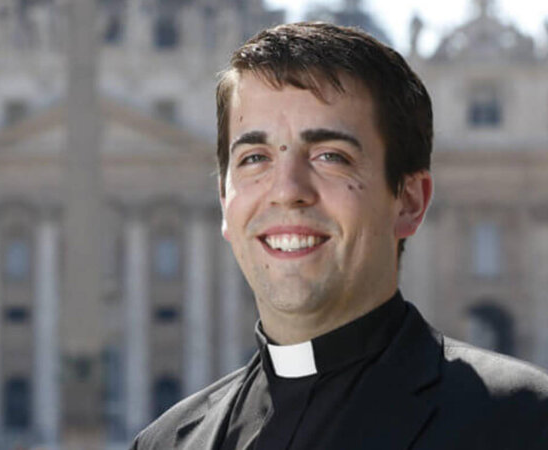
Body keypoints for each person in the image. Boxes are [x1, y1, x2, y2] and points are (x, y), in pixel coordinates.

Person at [130, 22, 548, 449]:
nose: (287, 191)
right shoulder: (164, 442)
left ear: (409, 201)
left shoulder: (524, 423)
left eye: (331, 156)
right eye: (255, 158)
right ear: (224, 200)